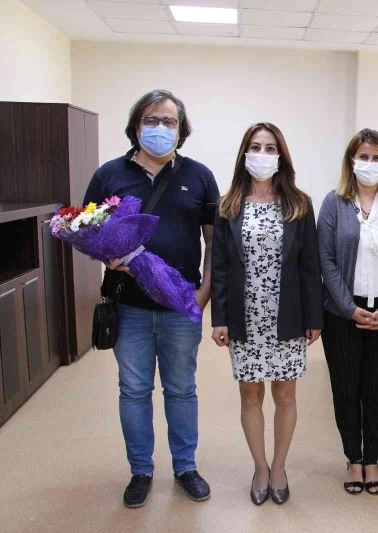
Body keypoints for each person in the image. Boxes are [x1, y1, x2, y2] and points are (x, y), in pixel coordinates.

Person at [83, 89, 219, 508]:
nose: (161, 128)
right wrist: (107, 256)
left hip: (181, 305)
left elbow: (213, 241)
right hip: (129, 305)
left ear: (182, 129)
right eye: (152, 120)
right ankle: (140, 471)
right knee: (134, 390)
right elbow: (87, 228)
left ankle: (185, 467)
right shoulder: (109, 174)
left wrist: (204, 293)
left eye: (169, 121)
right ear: (136, 126)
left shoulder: (199, 176)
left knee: (181, 389)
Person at [210, 122, 323, 506]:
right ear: (245, 154)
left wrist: (314, 319)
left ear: (281, 156)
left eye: (270, 148)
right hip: (245, 316)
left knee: (285, 395)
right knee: (250, 395)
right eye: (255, 147)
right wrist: (219, 318)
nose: (262, 154)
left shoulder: (299, 204)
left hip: (287, 315)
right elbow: (220, 267)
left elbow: (310, 267)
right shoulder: (228, 205)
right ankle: (260, 467)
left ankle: (279, 467)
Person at [318, 128, 378, 496]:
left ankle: (373, 458)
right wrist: (348, 308)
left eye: (377, 157)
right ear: (351, 160)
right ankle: (353, 459)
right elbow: (326, 260)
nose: (370, 163)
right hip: (342, 313)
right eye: (364, 156)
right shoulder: (334, 203)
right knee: (346, 390)